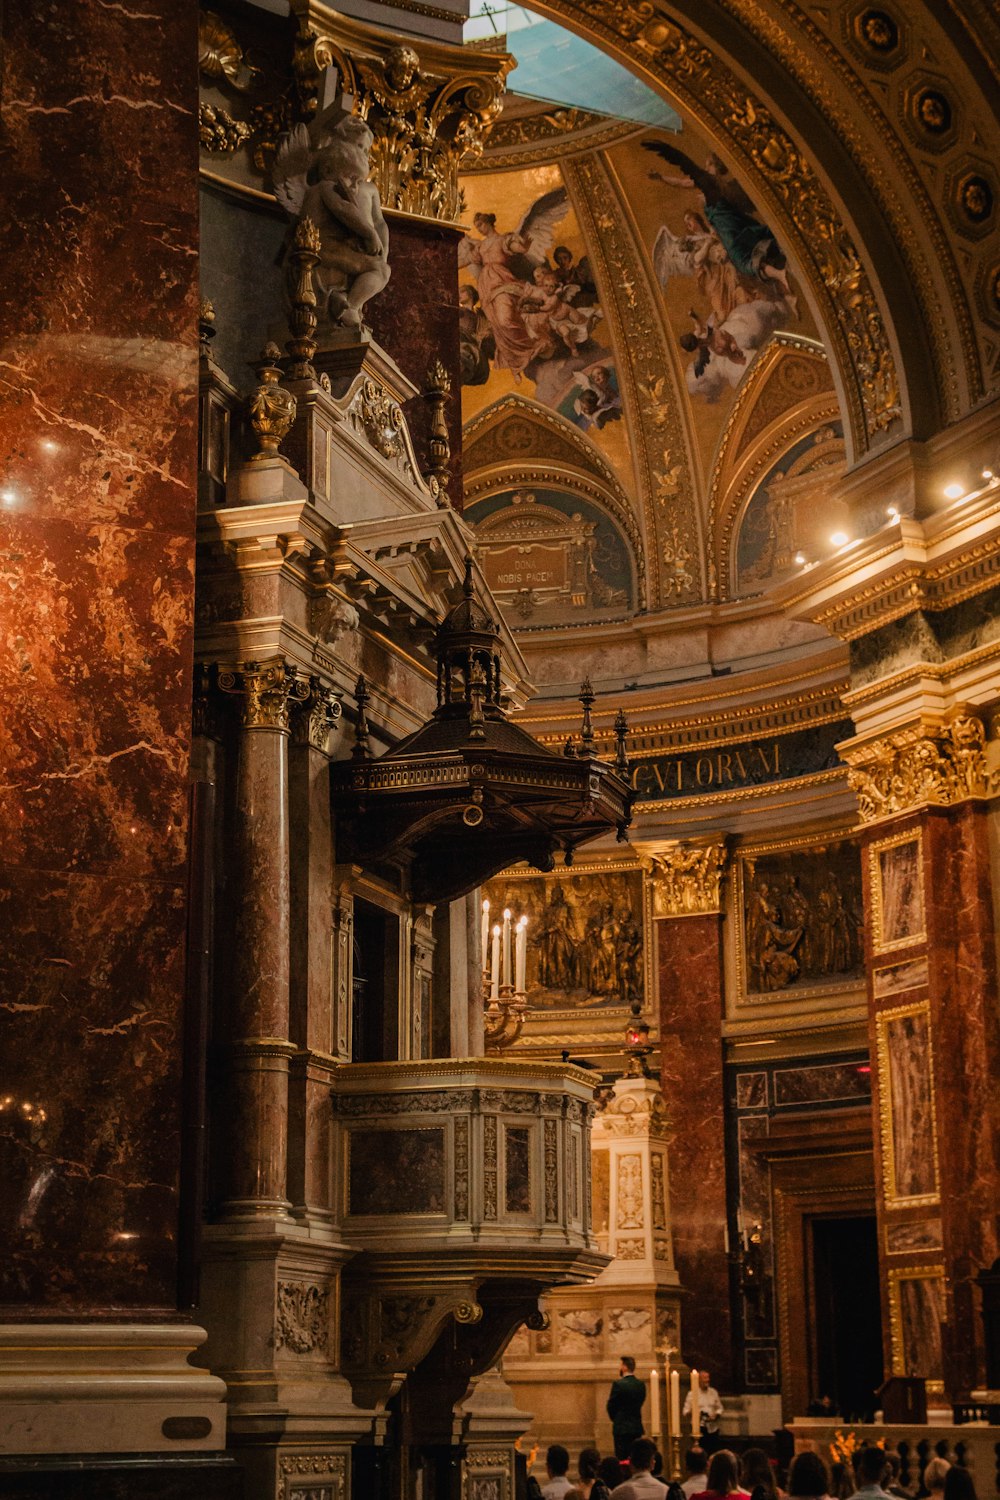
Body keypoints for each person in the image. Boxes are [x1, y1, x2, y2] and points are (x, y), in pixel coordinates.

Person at [607, 1356, 647, 1461]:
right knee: (635, 1458)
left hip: (621, 1428)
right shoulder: (640, 1385)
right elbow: (641, 1401)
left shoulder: (618, 1384)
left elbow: (611, 1405)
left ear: (624, 1367)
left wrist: (616, 1418)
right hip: (636, 1426)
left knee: (622, 1458)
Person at [682, 1370, 724, 1450]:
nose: (707, 1380)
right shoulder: (692, 1394)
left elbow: (720, 1408)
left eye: (708, 1378)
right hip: (699, 1428)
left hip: (712, 1428)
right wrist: (695, 1413)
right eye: (704, 1378)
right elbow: (685, 1411)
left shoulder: (713, 1392)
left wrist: (716, 1415)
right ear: (699, 1380)